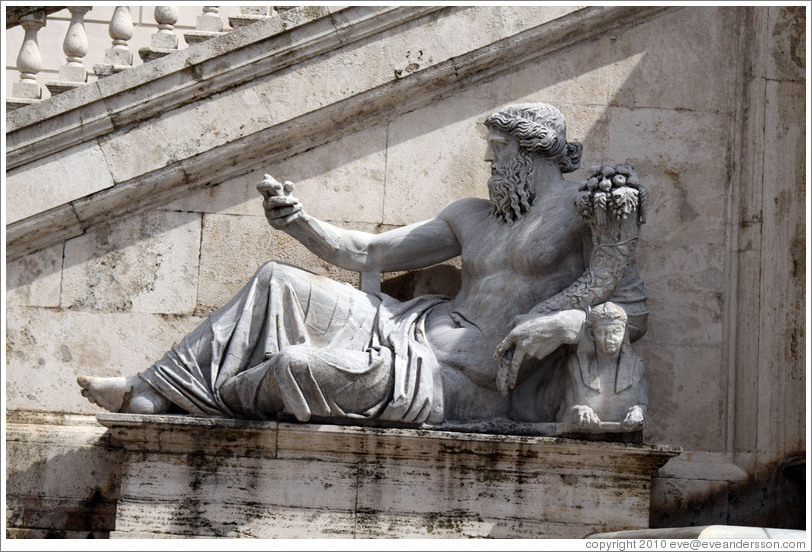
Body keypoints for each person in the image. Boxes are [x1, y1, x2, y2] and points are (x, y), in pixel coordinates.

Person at [78, 102, 647, 426]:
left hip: (463, 381)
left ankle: (197, 400)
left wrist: (562, 323)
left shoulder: (585, 212)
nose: (487, 160)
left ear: (530, 151)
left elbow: (632, 312)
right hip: (408, 327)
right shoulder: (470, 216)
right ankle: (151, 388)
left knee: (297, 367)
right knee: (277, 282)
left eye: (497, 151)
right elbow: (367, 252)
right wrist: (297, 221)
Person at [556, 302, 648, 430]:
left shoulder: (636, 365)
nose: (609, 339)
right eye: (601, 332)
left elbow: (643, 407)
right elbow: (562, 412)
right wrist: (578, 411)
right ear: (591, 334)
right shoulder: (576, 364)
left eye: (616, 331)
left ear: (625, 330)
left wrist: (638, 412)